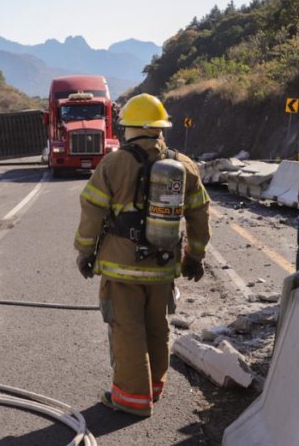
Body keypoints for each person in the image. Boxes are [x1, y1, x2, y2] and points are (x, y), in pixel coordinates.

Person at [73, 93, 211, 418]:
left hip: (122, 269)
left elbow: (92, 210)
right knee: (157, 327)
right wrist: (195, 256)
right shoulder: (183, 165)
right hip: (162, 266)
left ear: (129, 128)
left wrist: (85, 253)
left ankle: (132, 400)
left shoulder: (115, 163)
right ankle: (154, 388)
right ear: (161, 128)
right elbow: (199, 213)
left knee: (127, 330)